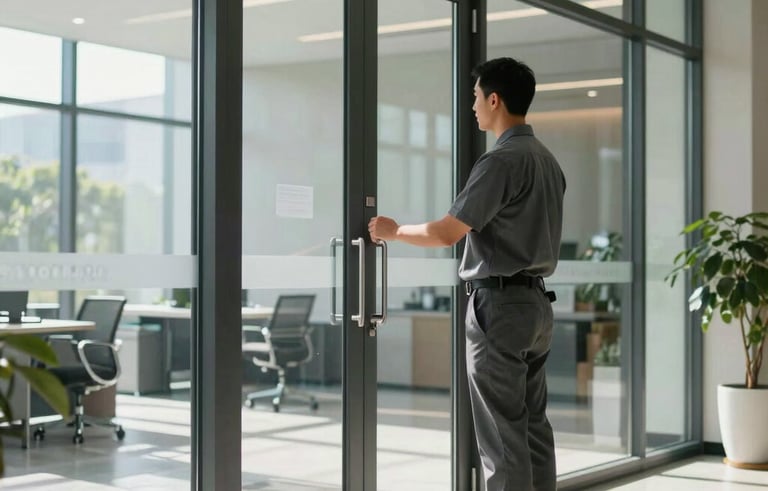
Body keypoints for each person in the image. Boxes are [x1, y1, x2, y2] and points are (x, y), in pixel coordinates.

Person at [369, 57, 565, 491]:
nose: (473, 106)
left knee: (502, 436)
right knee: (533, 429)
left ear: (494, 99)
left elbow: (445, 233)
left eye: (476, 97)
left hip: (500, 308)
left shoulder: (500, 162)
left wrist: (395, 231)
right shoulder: (547, 161)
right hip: (537, 307)